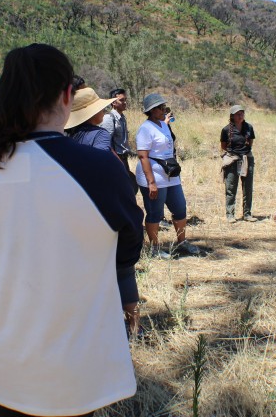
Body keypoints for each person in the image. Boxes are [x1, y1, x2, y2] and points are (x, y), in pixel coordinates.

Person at [0, 44, 141, 417]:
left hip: (2, 362)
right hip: (74, 369)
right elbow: (128, 250)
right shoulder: (100, 168)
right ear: (67, 95)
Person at [66, 87, 143, 338]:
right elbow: (104, 166)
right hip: (104, 207)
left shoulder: (69, 137)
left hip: (79, 208)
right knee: (124, 269)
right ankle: (134, 329)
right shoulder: (99, 135)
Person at [135, 93, 200, 258]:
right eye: (160, 107)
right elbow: (143, 157)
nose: (164, 109)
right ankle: (155, 248)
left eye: (164, 106)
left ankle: (182, 242)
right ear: (151, 110)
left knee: (180, 208)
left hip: (170, 175)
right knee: (155, 213)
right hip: (154, 177)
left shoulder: (163, 125)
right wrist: (151, 182)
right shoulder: (145, 129)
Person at [220, 104, 257, 223]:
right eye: (238, 114)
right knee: (231, 187)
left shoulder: (249, 127)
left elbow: (250, 142)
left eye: (242, 113)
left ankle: (247, 214)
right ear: (232, 116)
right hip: (232, 160)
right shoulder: (226, 130)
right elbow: (223, 146)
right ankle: (230, 214)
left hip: (247, 159)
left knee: (248, 188)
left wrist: (244, 154)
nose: (240, 116)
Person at [100, 88, 135, 172]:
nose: (125, 102)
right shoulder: (109, 118)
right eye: (121, 100)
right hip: (115, 160)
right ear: (113, 103)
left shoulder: (122, 118)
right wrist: (116, 160)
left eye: (125, 99)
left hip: (123, 158)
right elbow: (105, 143)